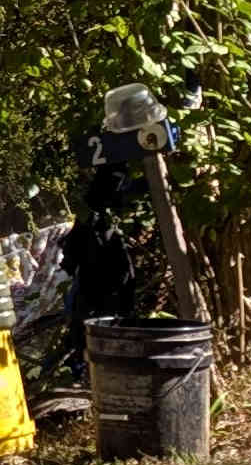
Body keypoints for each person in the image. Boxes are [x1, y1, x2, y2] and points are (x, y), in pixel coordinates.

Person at [60, 85, 172, 344]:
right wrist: (147, 186)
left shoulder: (115, 148)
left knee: (106, 297)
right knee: (111, 297)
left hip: (96, 236)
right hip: (100, 237)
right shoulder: (116, 153)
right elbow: (112, 194)